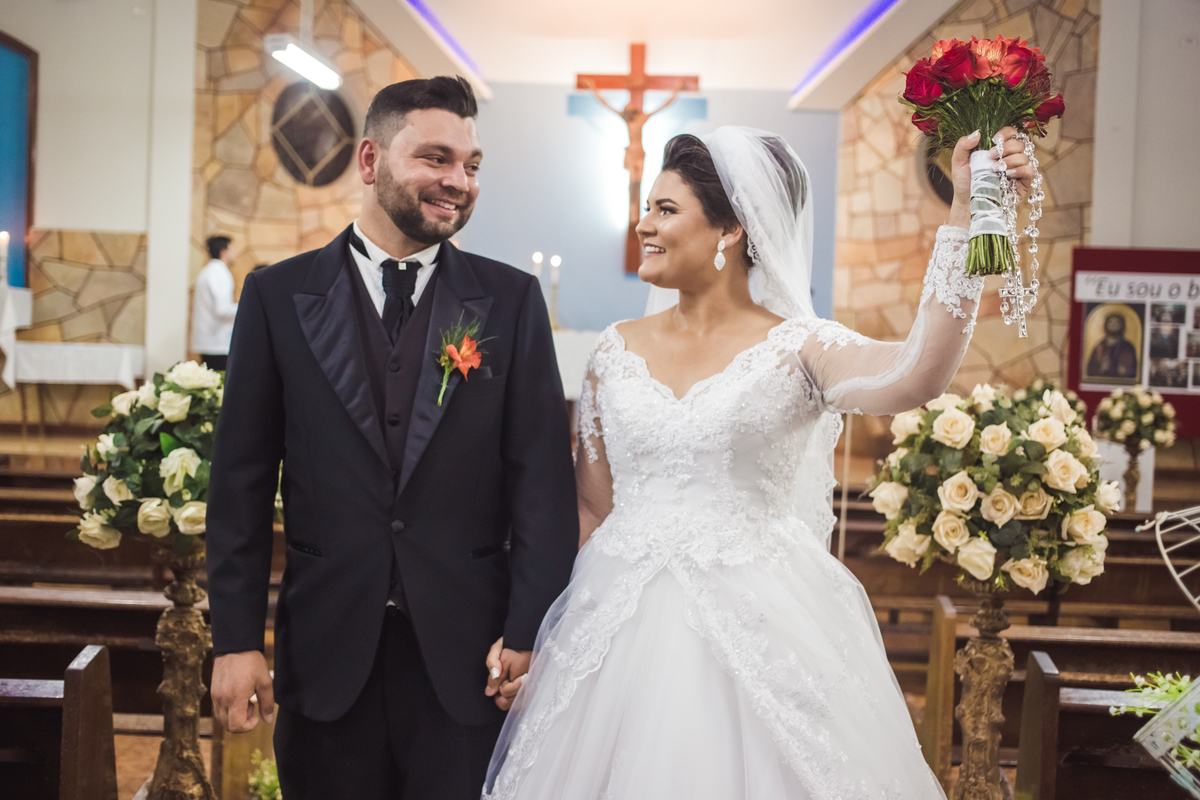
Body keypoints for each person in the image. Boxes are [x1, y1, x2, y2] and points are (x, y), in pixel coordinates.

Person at [483, 126, 1032, 799]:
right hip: (613, 624)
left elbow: (918, 372)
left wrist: (968, 220)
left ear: (731, 230)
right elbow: (591, 507)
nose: (643, 224)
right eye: (648, 207)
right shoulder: (613, 351)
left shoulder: (801, 349)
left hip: (761, 623)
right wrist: (542, 633)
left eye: (665, 210)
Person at [206, 76, 578, 800]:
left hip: (470, 659)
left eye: (471, 165)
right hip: (325, 650)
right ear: (370, 161)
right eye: (436, 158)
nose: (458, 181)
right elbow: (240, 484)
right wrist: (237, 639)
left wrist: (530, 632)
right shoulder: (277, 297)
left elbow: (540, 480)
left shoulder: (508, 301)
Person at [192, 235, 239, 370]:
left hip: (209, 340)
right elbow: (222, 309)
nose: (235, 252)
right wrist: (248, 307)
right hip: (218, 342)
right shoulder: (220, 273)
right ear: (223, 252)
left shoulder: (207, 271)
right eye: (232, 248)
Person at [1086, 312, 1138, 379]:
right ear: (1106, 325)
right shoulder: (1099, 347)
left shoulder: (1127, 347)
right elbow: (1090, 371)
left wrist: (1126, 371)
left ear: (1122, 326)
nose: (1113, 325)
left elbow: (1135, 371)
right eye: (1110, 323)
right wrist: (1101, 368)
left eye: (1117, 323)